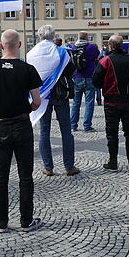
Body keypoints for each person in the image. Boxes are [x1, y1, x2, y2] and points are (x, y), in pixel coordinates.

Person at [0, 29, 44, 233]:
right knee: (26, 176)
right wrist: (27, 109)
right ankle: (26, 221)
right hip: (22, 125)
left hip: (1, 125)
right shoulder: (28, 69)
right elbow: (37, 101)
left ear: (0, 46)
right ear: (20, 45)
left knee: (1, 177)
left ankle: (1, 222)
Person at [28, 25, 80, 177]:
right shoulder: (61, 52)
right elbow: (71, 71)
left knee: (44, 132)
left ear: (39, 35)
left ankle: (48, 167)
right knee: (66, 131)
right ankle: (69, 166)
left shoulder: (31, 53)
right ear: (53, 35)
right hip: (60, 95)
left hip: (42, 96)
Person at [93, 35, 129, 171]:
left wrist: (106, 86)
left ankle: (113, 162)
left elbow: (96, 81)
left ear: (110, 46)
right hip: (128, 101)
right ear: (122, 45)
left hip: (111, 102)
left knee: (112, 132)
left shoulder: (105, 61)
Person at [70, 31, 100, 133]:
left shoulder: (74, 48)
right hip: (89, 77)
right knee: (89, 102)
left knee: (76, 103)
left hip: (77, 77)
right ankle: (87, 126)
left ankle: (73, 125)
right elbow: (97, 55)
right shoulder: (91, 47)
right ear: (87, 38)